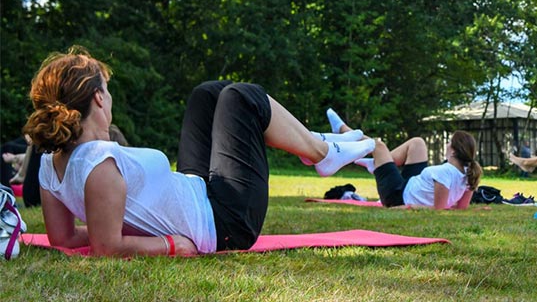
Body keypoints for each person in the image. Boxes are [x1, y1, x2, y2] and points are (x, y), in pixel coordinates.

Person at [23, 46, 375, 256]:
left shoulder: (50, 165)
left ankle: (313, 141)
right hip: (223, 221)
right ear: (99, 98)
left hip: (198, 189)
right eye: (108, 90)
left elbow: (65, 237)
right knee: (241, 97)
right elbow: (107, 248)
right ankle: (321, 151)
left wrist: (111, 230)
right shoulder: (100, 164)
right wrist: (168, 245)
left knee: (206, 94)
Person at [325, 109, 482, 209]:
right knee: (417, 143)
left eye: (449, 143)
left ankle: (344, 132)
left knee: (378, 146)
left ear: (453, 151)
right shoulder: (469, 173)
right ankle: (376, 164)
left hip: (397, 195)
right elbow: (461, 208)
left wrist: (409, 207)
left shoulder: (444, 173)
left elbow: (438, 210)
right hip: (411, 184)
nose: (447, 145)